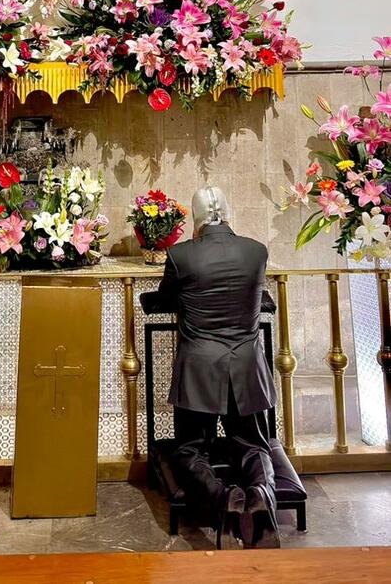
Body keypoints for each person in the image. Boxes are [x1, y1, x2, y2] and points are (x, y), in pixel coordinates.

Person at [157, 186, 279, 549]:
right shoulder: (256, 251)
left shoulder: (180, 256)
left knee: (190, 449)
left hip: (200, 368)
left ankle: (224, 498)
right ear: (228, 212)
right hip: (247, 365)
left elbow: (166, 298)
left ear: (195, 220)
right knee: (256, 446)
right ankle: (259, 496)